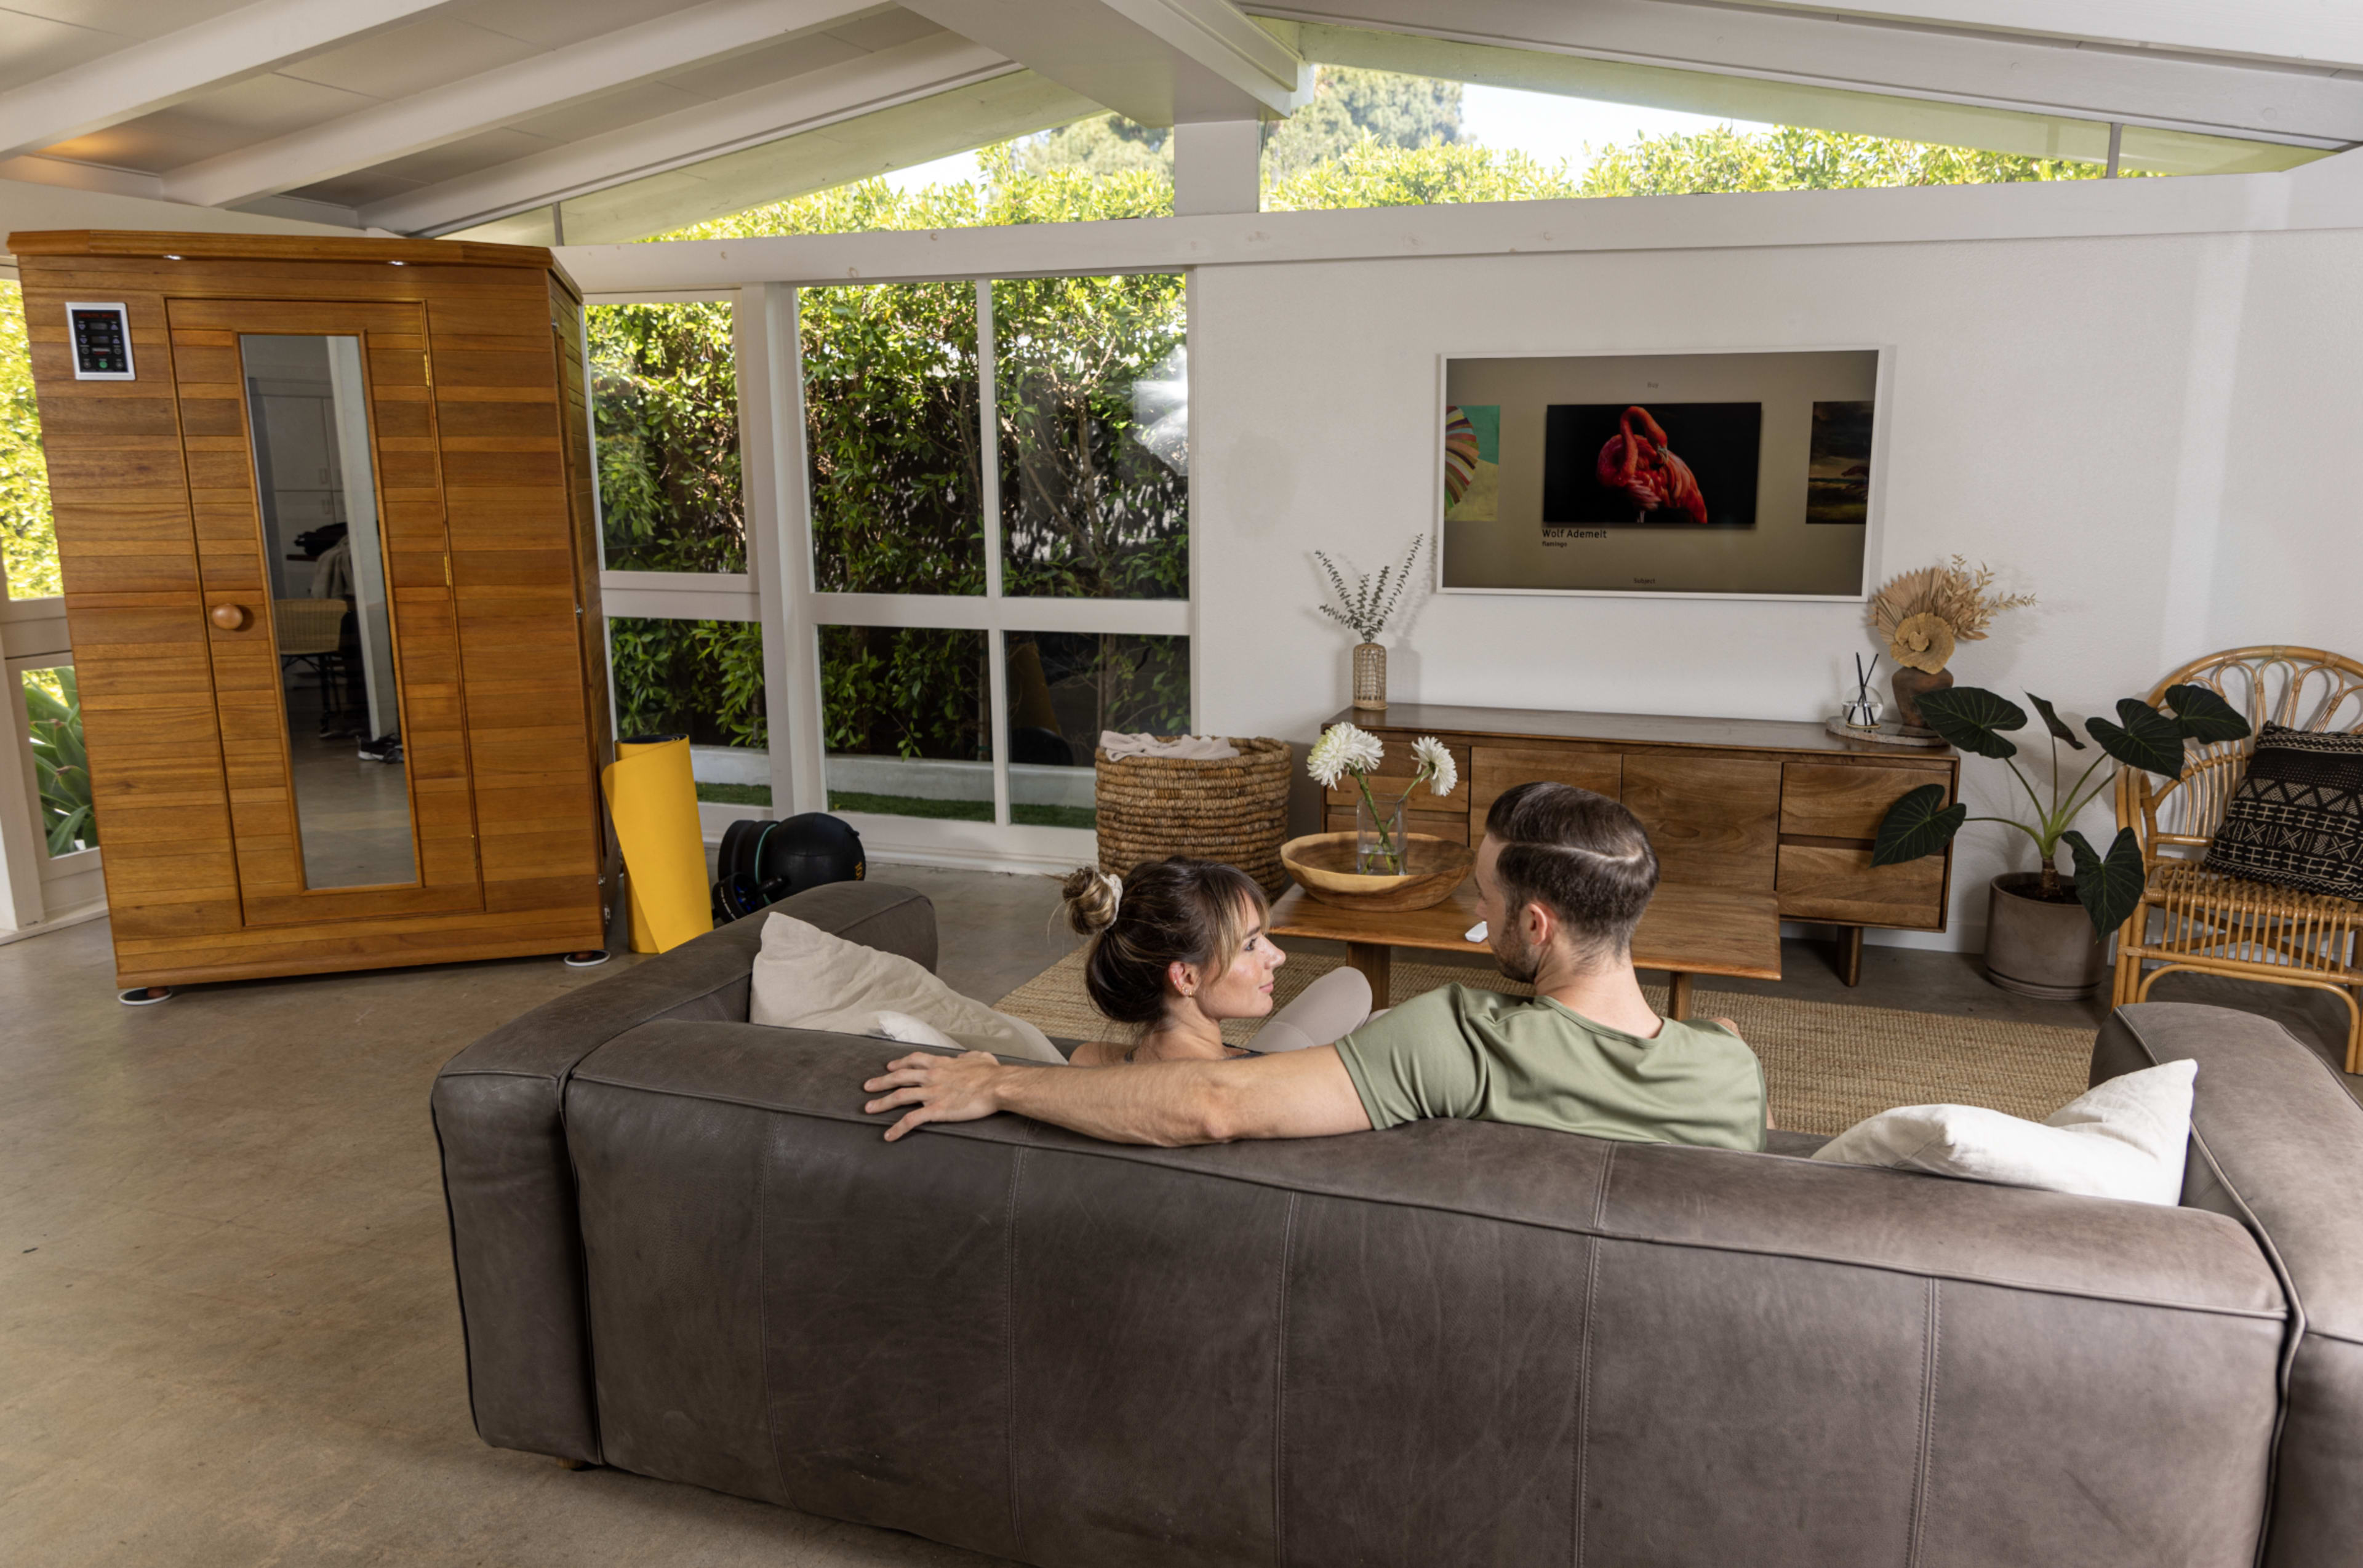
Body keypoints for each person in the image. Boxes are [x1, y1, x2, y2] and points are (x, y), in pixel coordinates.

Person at [862, 782, 1767, 1151]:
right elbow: (1703, 1039)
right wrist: (1714, 1036)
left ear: (1539, 921)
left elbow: (1215, 1103)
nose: (1475, 914)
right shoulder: (1731, 1078)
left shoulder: (1454, 1039)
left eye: (1485, 899)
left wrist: (1004, 1084)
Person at [1052, 858, 1377, 1066]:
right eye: (1250, 945)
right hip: (1265, 1071)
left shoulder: (1090, 1061)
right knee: (1384, 1022)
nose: (1278, 957)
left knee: (1351, 981)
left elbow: (1086, 1057)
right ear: (1186, 978)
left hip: (1189, 1055)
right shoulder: (1262, 1084)